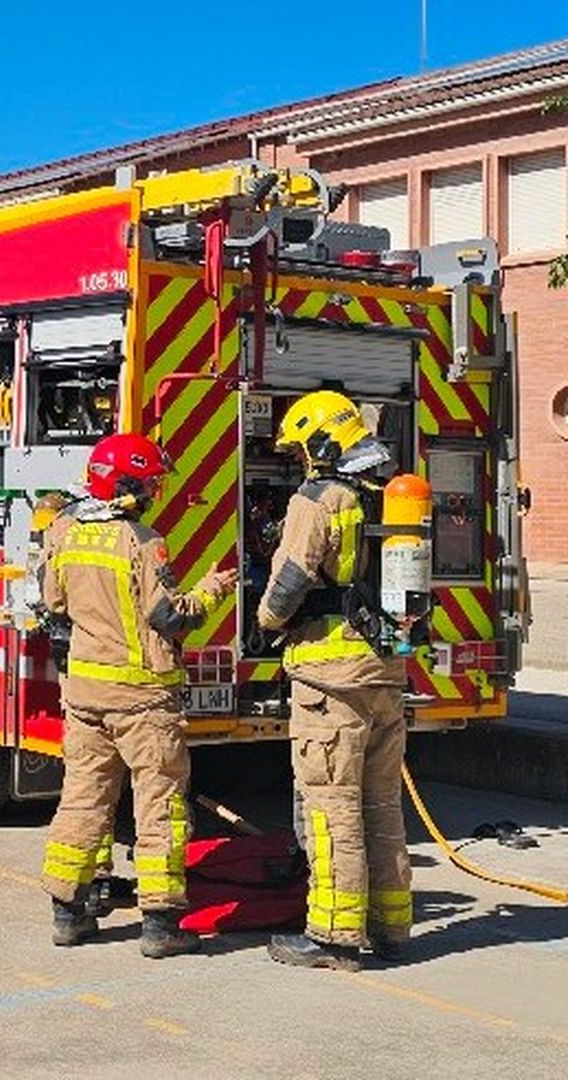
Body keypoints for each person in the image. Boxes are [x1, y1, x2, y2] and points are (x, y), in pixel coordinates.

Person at [39, 432, 236, 957]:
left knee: (83, 800)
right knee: (159, 809)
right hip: (143, 698)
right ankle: (161, 925)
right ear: (125, 483)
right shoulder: (144, 541)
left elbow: (53, 604)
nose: (153, 490)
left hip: (84, 695)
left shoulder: (61, 532)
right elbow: (170, 615)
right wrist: (214, 589)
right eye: (149, 481)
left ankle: (68, 914)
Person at [257, 390, 410, 971]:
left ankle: (334, 936)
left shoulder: (318, 500)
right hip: (383, 670)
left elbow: (290, 584)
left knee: (332, 806)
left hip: (329, 678)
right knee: (381, 805)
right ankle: (392, 926)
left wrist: (264, 624)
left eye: (302, 450)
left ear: (322, 442)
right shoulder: (386, 494)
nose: (301, 462)